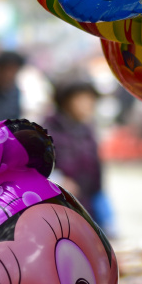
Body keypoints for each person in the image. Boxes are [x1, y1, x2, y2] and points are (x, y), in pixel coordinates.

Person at [44, 79, 107, 227]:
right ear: (65, 101)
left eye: (92, 99)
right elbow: (32, 170)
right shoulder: (46, 131)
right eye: (82, 99)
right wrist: (56, 180)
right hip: (56, 209)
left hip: (85, 206)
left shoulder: (87, 131)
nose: (89, 104)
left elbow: (95, 171)